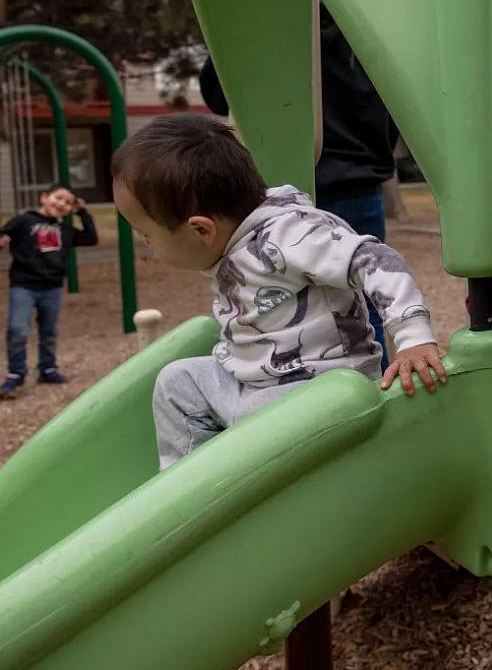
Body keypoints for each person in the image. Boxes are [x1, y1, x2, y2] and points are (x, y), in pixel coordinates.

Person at [112, 113, 445, 470]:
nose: (146, 245)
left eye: (146, 234)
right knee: (177, 381)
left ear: (201, 229)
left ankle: (228, 485)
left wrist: (412, 337)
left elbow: (374, 258)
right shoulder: (231, 240)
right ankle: (183, 485)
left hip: (322, 388)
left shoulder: (288, 237)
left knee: (256, 420)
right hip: (255, 385)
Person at [198, 4, 398, 369]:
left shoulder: (264, 17)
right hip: (353, 172)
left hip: (285, 180)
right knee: (363, 296)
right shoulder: (361, 17)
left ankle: (289, 376)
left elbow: (218, 90)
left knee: (273, 299)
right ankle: (368, 381)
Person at [0, 183, 97, 399]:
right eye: (58, 198)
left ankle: (47, 369)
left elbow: (91, 238)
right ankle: (15, 373)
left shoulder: (65, 230)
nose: (62, 204)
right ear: (45, 198)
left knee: (49, 331)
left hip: (52, 287)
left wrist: (82, 212)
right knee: (18, 329)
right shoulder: (25, 220)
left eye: (68, 202)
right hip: (23, 286)